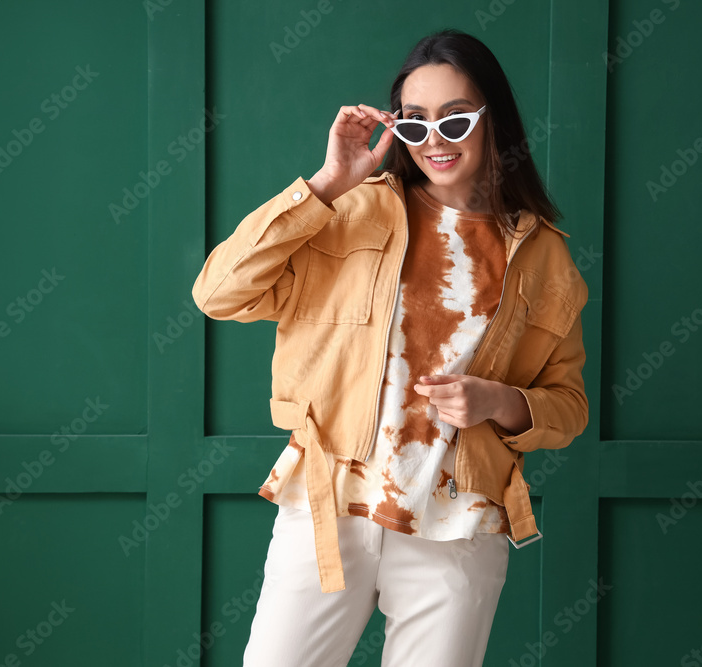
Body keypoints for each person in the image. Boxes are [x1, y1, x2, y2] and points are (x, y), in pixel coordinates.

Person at [191, 28, 589, 667]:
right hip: (329, 503)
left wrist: (499, 400)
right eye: (415, 123)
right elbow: (218, 293)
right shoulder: (349, 212)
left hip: (458, 523)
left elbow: (568, 407)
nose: (434, 140)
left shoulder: (543, 256)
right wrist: (326, 182)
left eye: (456, 121)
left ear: (495, 123)